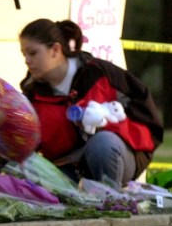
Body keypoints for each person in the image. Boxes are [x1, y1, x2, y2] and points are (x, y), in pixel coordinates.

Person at [16, 18, 163, 186]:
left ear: (55, 50)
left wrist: (105, 124)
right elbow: (24, 145)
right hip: (66, 167)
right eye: (24, 55)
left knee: (102, 143)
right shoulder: (30, 94)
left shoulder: (100, 73)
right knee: (27, 168)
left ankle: (110, 203)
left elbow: (147, 121)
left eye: (33, 53)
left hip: (115, 156)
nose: (27, 60)